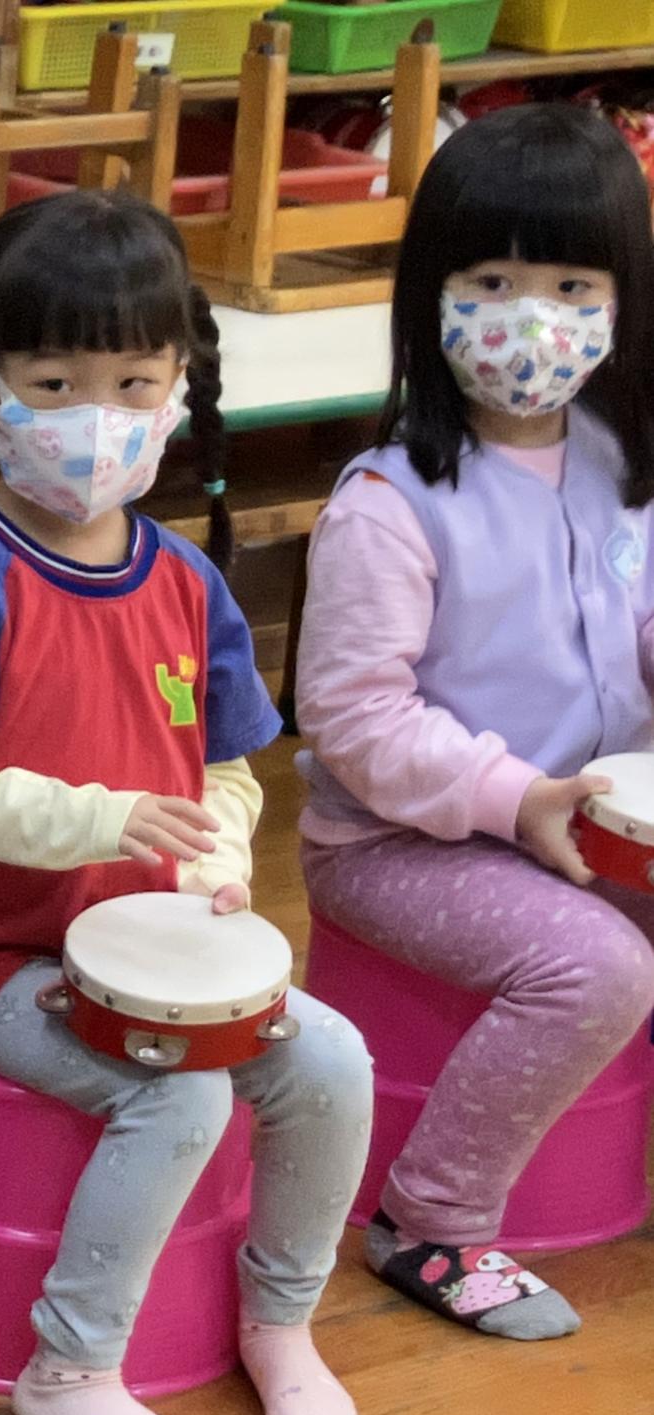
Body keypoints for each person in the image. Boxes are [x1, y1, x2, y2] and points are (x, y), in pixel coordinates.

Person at [0, 190, 374, 1415]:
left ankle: (276, 1316)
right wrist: (101, 815)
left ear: (175, 385)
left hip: (146, 949)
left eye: (132, 383)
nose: (97, 416)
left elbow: (224, 766)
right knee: (176, 1094)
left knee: (329, 1058)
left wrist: (214, 853)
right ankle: (71, 1368)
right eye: (55, 385)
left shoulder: (184, 580)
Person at [296, 104, 654, 1342]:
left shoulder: (617, 462)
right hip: (397, 847)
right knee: (598, 967)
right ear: (430, 297)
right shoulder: (389, 501)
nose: (531, 320)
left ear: (622, 301)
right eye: (492, 282)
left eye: (571, 285)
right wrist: (517, 799)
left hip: (588, 827)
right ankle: (430, 1219)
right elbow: (354, 716)